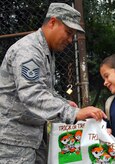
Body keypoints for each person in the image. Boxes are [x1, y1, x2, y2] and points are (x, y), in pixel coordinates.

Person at [0, 3, 106, 164]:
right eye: (69, 33)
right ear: (52, 22)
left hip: (31, 137)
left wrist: (65, 104)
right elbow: (32, 94)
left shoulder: (46, 53)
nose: (71, 40)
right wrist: (73, 114)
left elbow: (45, 91)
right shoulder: (28, 51)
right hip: (12, 140)